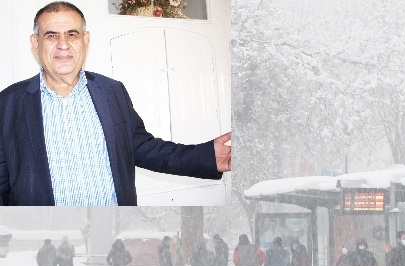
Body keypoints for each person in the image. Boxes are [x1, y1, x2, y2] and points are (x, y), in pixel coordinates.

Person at [0, 2, 232, 206]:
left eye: (72, 34)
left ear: (85, 40)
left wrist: (207, 156)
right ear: (35, 42)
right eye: (51, 35)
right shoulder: (8, 103)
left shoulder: (112, 92)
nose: (63, 44)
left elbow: (144, 148)